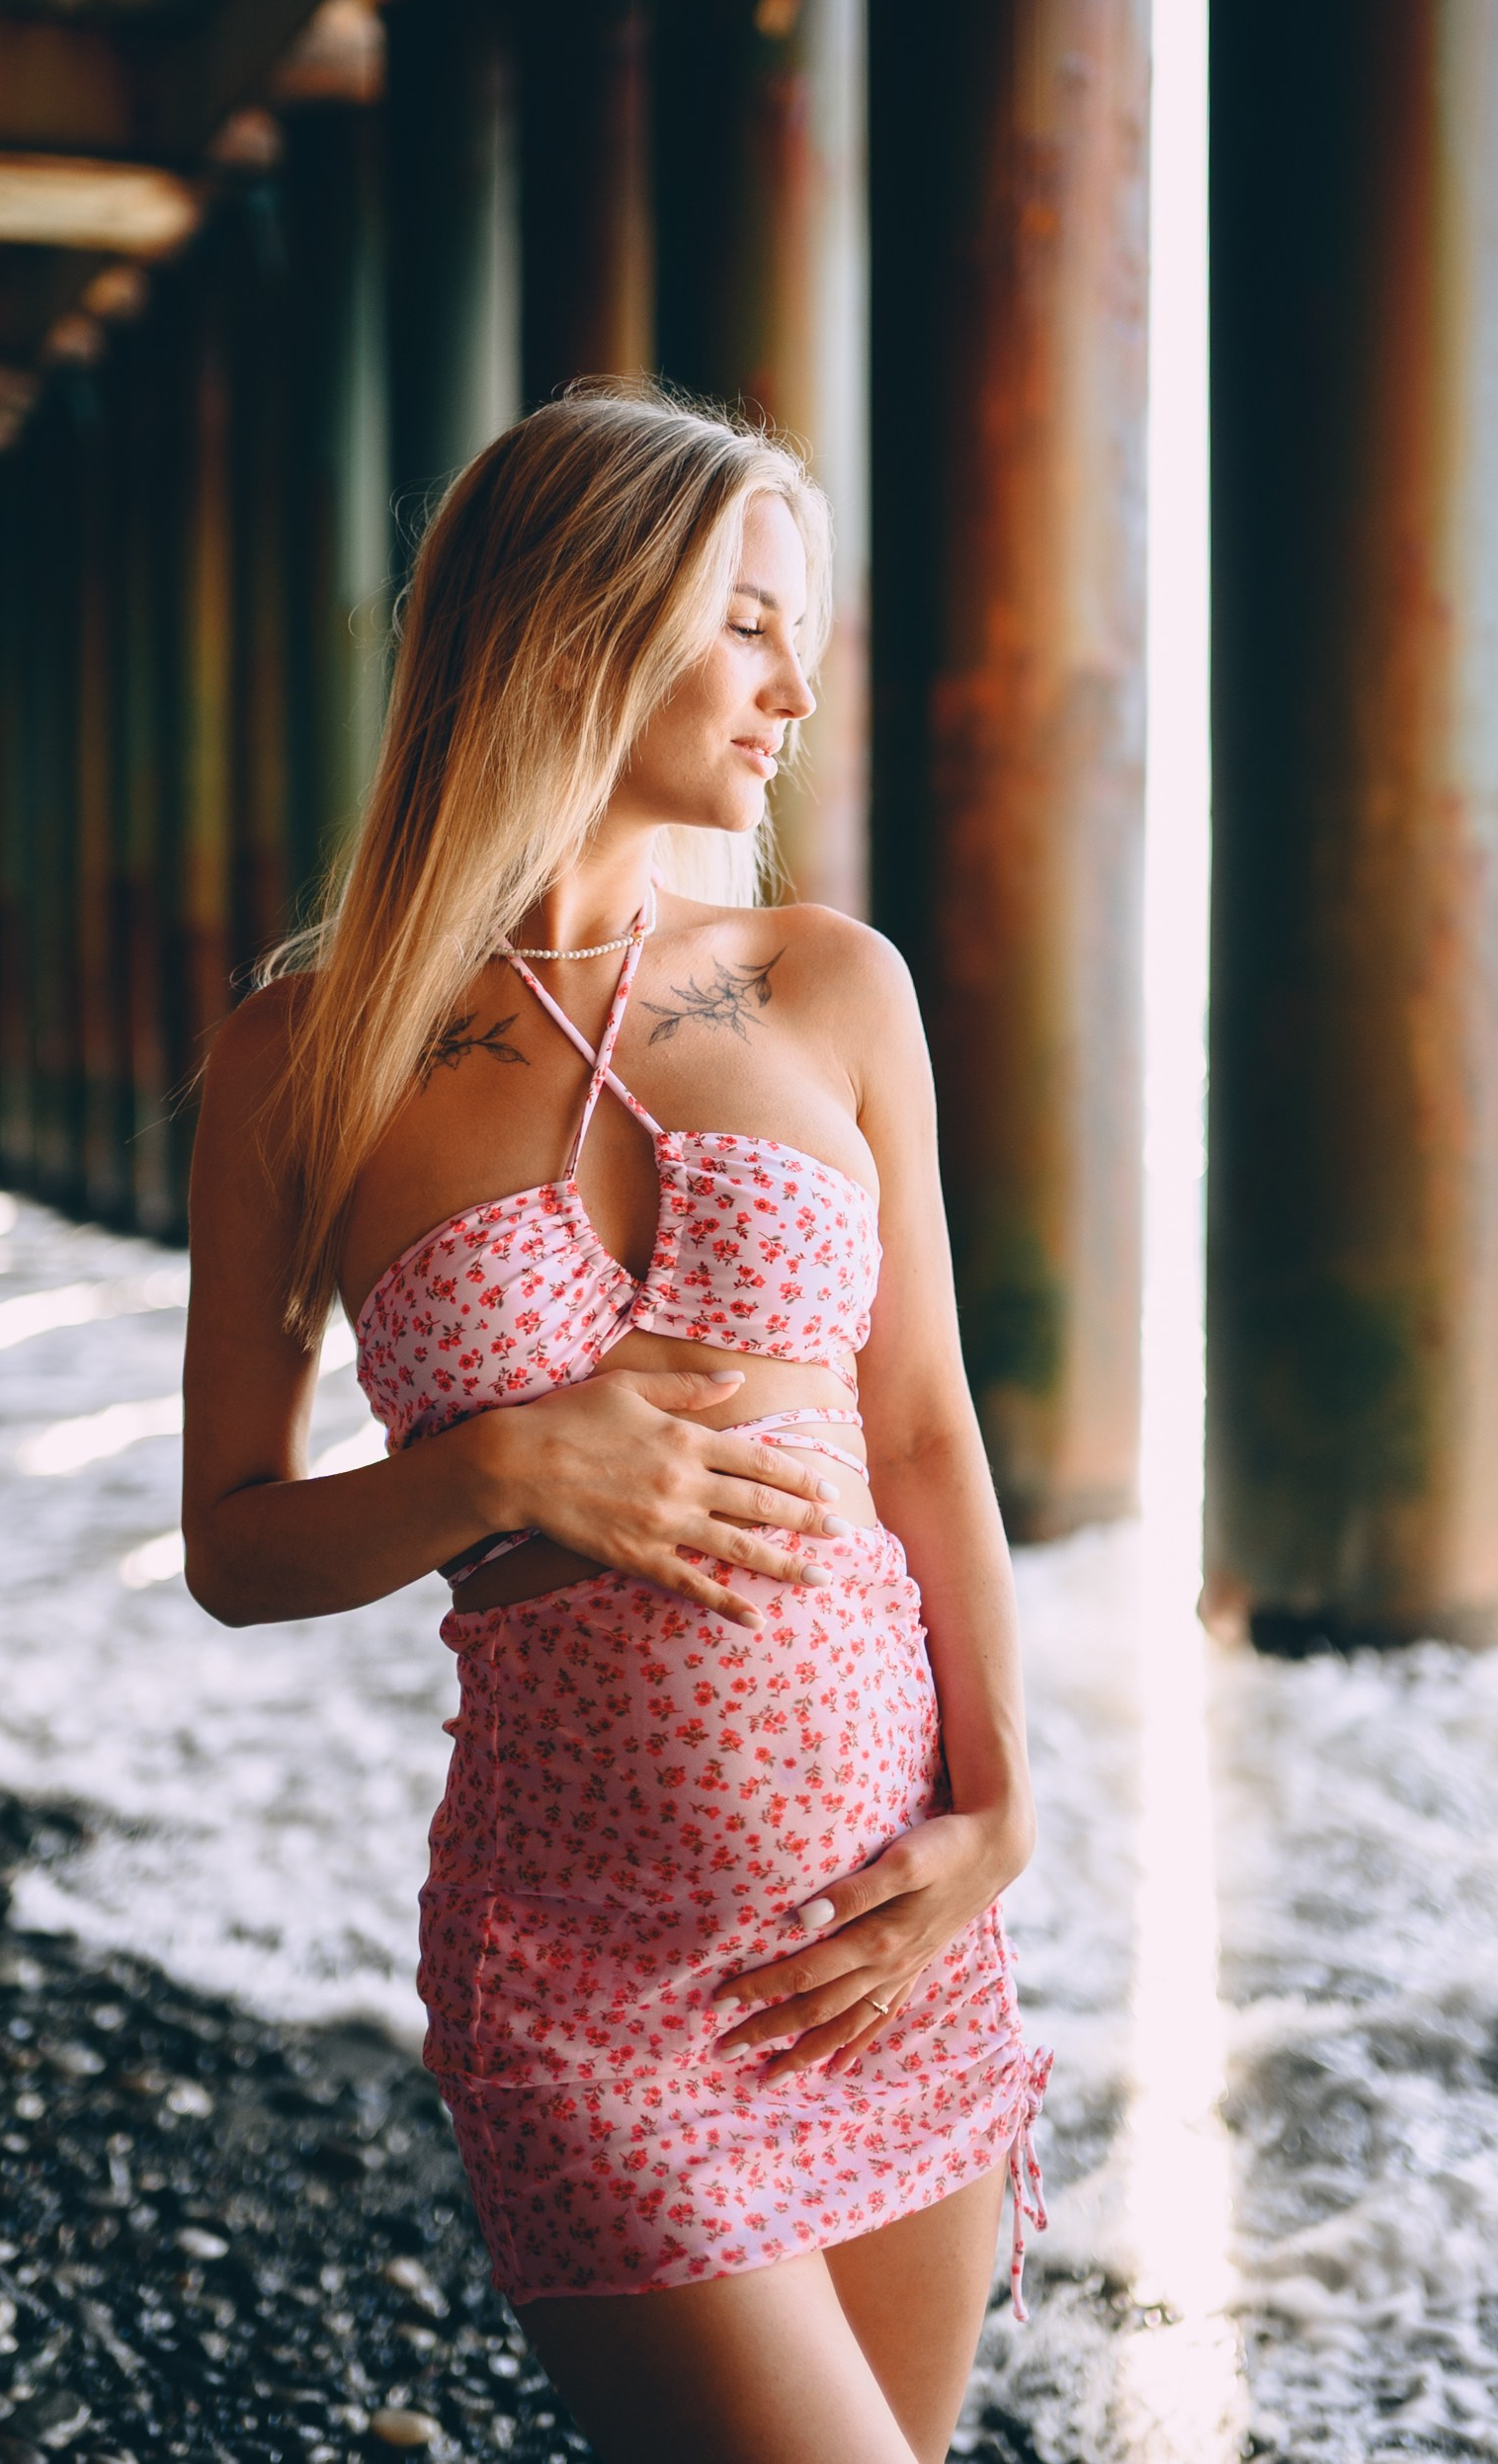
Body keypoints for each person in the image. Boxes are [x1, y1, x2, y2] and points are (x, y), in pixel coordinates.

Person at [181, 386, 1048, 2464]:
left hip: (883, 1931)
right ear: (582, 611)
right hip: (588, 1989)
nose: (794, 678)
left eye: (803, 631)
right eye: (746, 616)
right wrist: (488, 1467)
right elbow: (231, 1543)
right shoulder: (313, 1055)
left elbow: (923, 1430)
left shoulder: (831, 985)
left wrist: (1000, 1815)